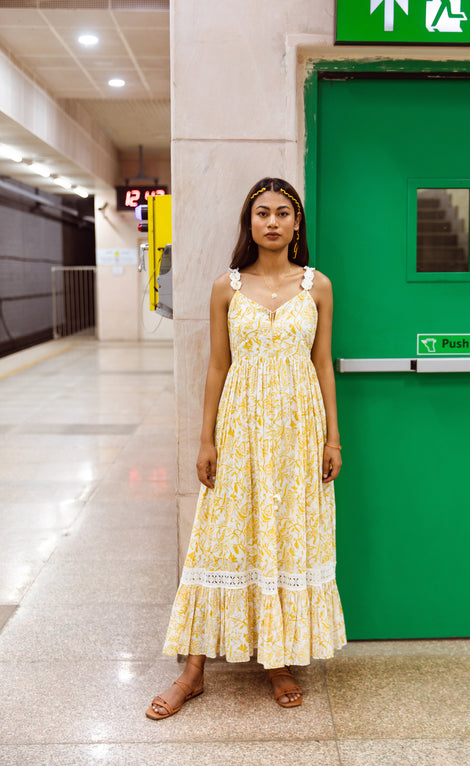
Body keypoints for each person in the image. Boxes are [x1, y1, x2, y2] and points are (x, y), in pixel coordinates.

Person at [146, 177, 346, 719]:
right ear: (250, 222)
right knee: (220, 537)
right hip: (240, 426)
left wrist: (332, 435)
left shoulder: (318, 286)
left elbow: (323, 363)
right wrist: (205, 438)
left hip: (299, 430)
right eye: (263, 213)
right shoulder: (225, 287)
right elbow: (218, 365)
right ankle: (192, 669)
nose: (274, 221)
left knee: (283, 536)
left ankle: (277, 661)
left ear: (297, 223)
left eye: (284, 212)